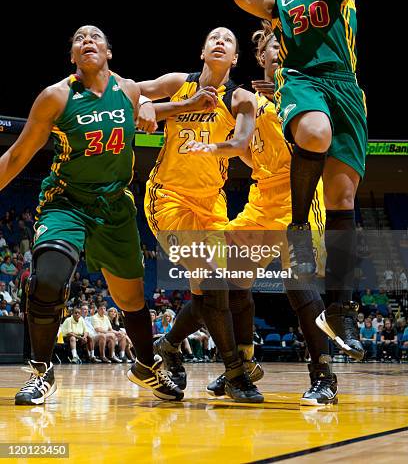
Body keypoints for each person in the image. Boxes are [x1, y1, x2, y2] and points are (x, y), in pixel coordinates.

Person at [0, 25, 182, 404]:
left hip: (115, 207)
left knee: (131, 301)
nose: (87, 41)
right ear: (72, 57)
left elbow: (157, 93)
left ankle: (146, 367)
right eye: (79, 39)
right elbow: (18, 155)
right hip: (66, 201)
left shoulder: (129, 90)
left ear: (108, 52)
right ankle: (41, 371)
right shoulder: (56, 97)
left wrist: (172, 102)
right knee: (48, 277)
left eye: (95, 37)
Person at [234, 0, 367, 361]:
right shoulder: (281, 0)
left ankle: (340, 307)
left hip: (345, 86)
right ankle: (296, 222)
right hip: (304, 79)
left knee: (343, 197)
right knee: (314, 131)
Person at [192, 26, 335, 405]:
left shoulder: (305, 92)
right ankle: (239, 365)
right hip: (261, 201)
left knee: (298, 284)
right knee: (221, 275)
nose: (279, 51)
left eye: (285, 45)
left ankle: (324, 376)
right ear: (261, 56)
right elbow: (248, 152)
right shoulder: (251, 101)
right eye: (273, 45)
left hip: (300, 200)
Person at [137, 27, 262, 403]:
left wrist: (213, 149)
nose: (220, 41)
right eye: (213, 38)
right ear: (203, 50)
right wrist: (150, 105)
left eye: (228, 40)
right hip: (169, 198)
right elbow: (127, 94)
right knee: (214, 282)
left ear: (236, 58)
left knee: (209, 292)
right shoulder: (179, 83)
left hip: (212, 204)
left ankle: (170, 345)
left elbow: (242, 143)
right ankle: (236, 374)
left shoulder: (239, 97)